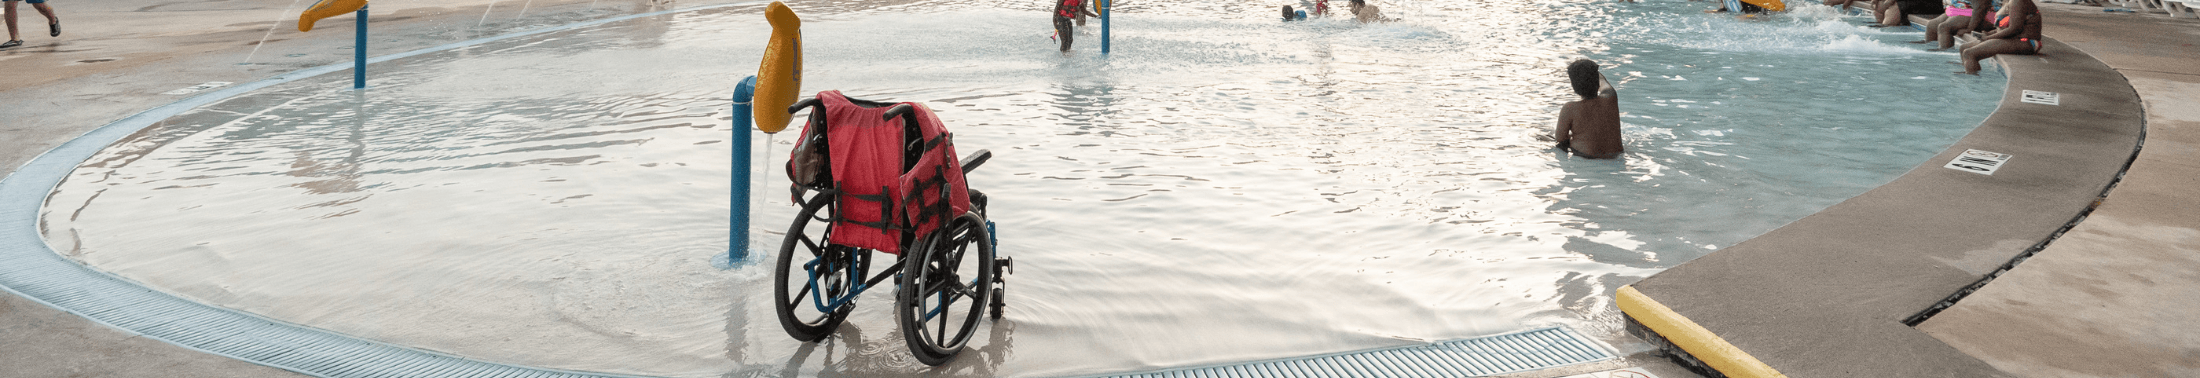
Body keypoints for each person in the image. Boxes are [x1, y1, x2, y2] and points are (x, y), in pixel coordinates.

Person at [1553, 59, 1624, 159]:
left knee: (1544, 138)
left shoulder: (1570, 108)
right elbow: (1603, 80)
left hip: (1587, 157)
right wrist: (1592, 71)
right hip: (1615, 155)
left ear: (1574, 86)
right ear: (1597, 82)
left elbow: (1560, 139)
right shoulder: (1610, 96)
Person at [1960, 0, 2039, 75]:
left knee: (1969, 53)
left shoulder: (2018, 1)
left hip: (2025, 42)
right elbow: (2007, 27)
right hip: (2015, 39)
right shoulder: (2012, 1)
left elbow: (2014, 29)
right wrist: (1988, 34)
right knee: (1963, 47)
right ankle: (1969, 74)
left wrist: (1988, 38)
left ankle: (1972, 83)